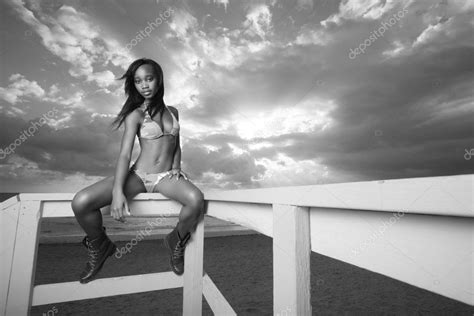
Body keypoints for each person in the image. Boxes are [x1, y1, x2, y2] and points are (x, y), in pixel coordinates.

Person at [71, 58, 204, 283]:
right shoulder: (135, 114)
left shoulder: (173, 112)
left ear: (159, 80)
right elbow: (124, 154)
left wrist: (176, 167)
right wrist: (117, 193)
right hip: (139, 176)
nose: (144, 85)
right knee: (81, 202)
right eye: (138, 81)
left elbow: (177, 143)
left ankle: (176, 239)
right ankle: (99, 244)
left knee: (196, 200)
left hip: (165, 177)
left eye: (149, 79)